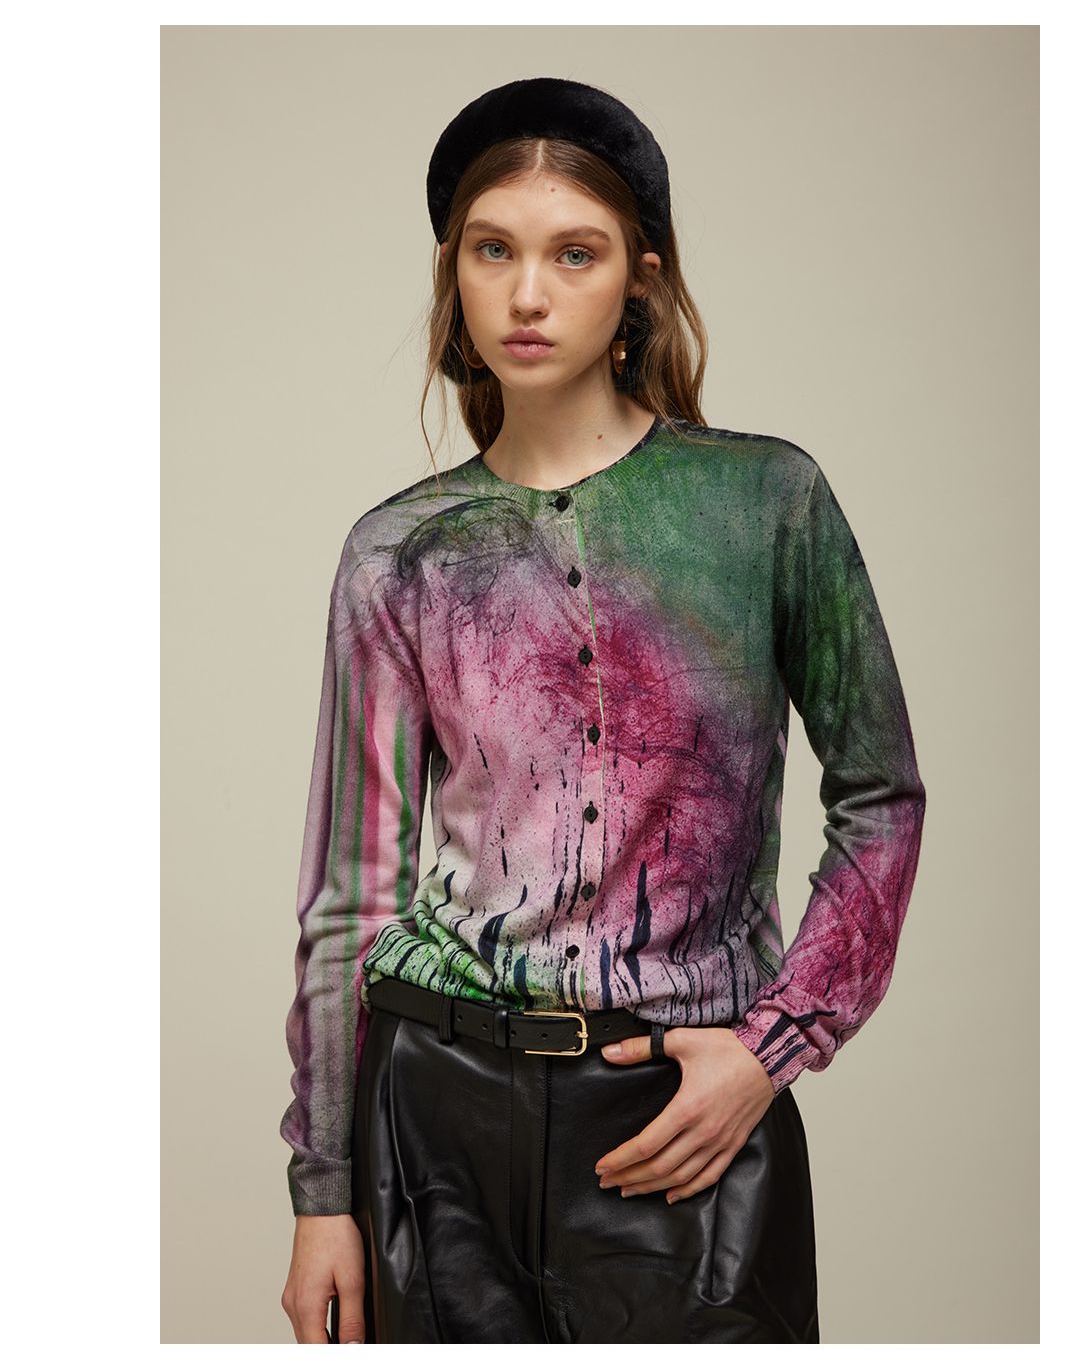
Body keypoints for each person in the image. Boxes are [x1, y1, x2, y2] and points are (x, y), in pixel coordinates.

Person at [279, 75, 927, 1344]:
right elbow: (349, 896)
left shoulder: (766, 504)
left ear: (640, 277)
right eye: (493, 252)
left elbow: (881, 797)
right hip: (434, 1122)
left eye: (573, 254)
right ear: (454, 278)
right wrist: (322, 1196)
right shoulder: (397, 554)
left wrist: (773, 1046)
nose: (528, 293)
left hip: (682, 1111)